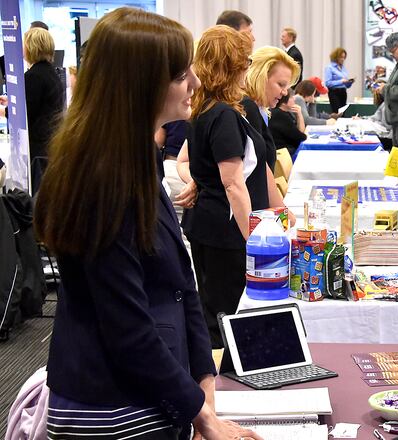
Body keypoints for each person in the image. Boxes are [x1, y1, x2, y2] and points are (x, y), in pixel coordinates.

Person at [32, 8, 261, 440]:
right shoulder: (102, 182)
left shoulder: (134, 161)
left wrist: (203, 382)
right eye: (179, 75)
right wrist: (202, 414)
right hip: (112, 408)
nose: (194, 82)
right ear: (137, 85)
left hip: (148, 392)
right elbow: (126, 327)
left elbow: (180, 284)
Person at [183, 26, 286, 348]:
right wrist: (255, 239)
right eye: (244, 60)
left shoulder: (215, 109)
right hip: (226, 230)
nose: (247, 67)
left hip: (217, 226)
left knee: (220, 312)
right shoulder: (222, 113)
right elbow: (233, 183)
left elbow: (253, 172)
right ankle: (222, 385)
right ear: (232, 66)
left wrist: (281, 212)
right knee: (226, 316)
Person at [0, 27, 64, 194]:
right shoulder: (51, 73)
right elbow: (40, 104)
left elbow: (25, 114)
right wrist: (12, 102)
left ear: (31, 47)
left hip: (36, 146)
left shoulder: (33, 76)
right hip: (49, 142)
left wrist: (4, 112)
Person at [269, 88, 307, 156]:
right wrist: (299, 115)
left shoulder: (284, 113)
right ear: (283, 102)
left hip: (284, 152)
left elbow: (300, 133)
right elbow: (301, 138)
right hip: (283, 154)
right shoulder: (280, 116)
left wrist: (299, 114)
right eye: (291, 97)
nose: (294, 99)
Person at [324, 47, 353, 113]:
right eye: (341, 57)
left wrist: (349, 83)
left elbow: (345, 83)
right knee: (337, 113)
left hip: (343, 92)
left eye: (344, 57)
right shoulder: (329, 68)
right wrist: (341, 81)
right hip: (334, 93)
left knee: (343, 113)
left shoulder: (343, 68)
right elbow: (328, 83)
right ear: (335, 57)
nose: (343, 59)